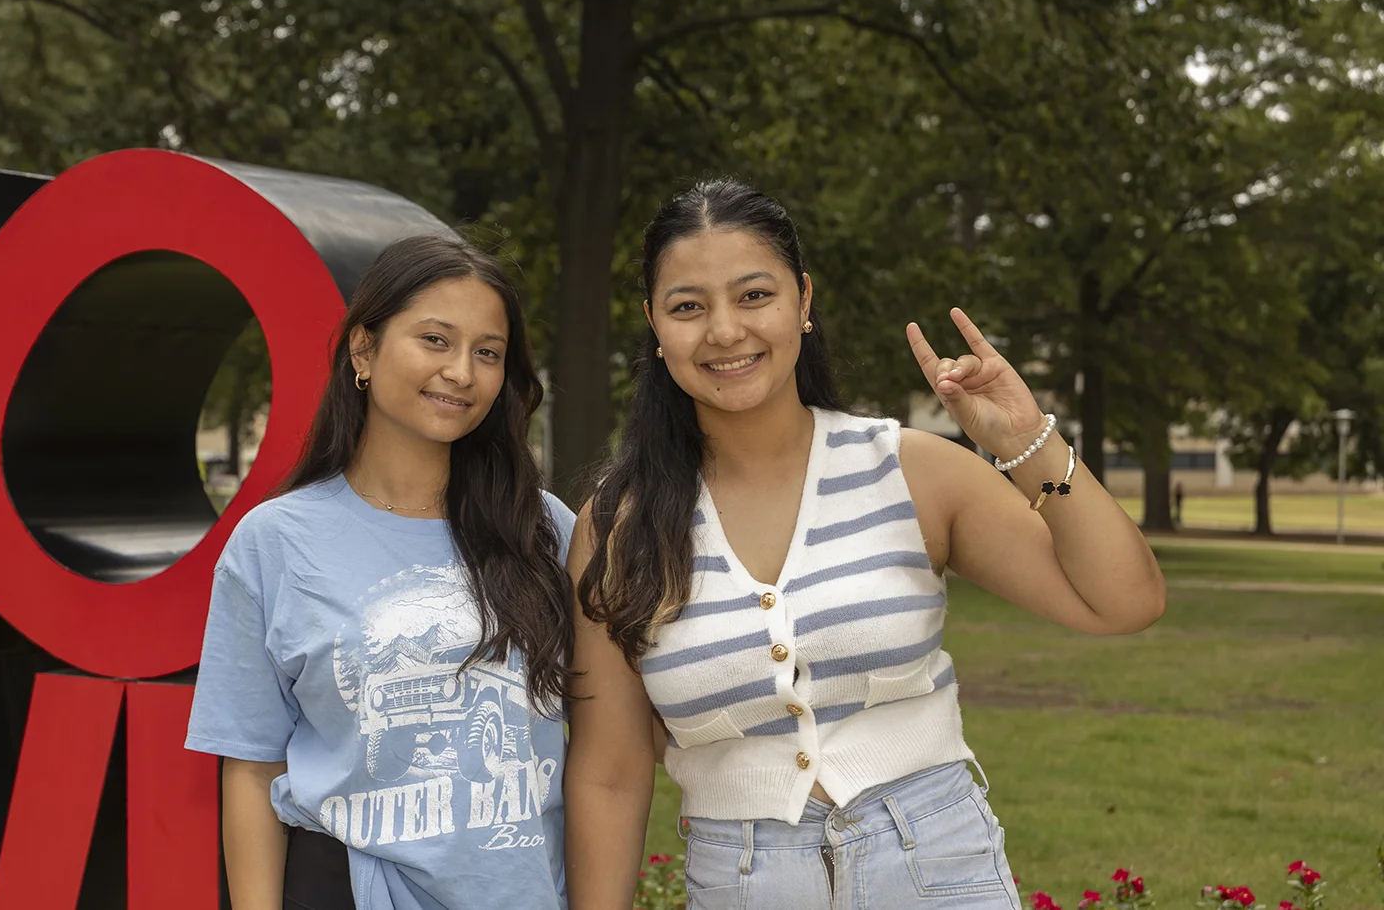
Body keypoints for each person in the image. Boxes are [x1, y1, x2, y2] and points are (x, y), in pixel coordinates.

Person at [564, 178, 1167, 910]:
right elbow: (610, 772)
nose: (724, 331)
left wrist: (1027, 445)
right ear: (655, 326)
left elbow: (1124, 601)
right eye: (688, 306)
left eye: (755, 295)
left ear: (804, 302)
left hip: (937, 867)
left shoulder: (908, 470)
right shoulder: (618, 526)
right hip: (742, 884)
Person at [187, 233, 579, 910]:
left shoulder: (545, 531)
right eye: (435, 339)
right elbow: (251, 766)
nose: (461, 371)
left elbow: (611, 750)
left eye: (487, 352)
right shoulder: (274, 542)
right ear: (363, 350)